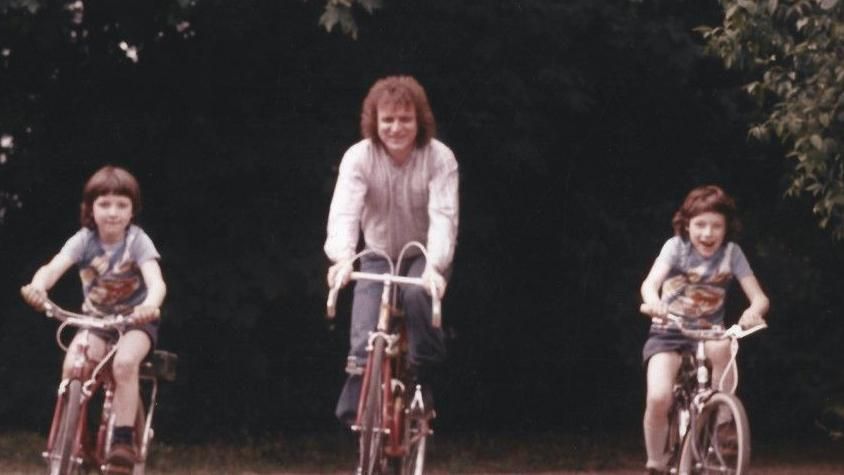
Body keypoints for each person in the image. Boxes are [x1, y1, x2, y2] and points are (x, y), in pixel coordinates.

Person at [324, 75, 459, 424]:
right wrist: (341, 258)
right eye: (387, 120)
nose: (395, 128)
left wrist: (436, 266)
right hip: (378, 253)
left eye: (404, 119)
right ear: (374, 121)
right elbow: (344, 212)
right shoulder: (359, 157)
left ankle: (421, 380)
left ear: (419, 121)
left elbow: (444, 217)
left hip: (423, 256)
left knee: (418, 299)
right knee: (365, 321)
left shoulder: (439, 158)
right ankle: (359, 398)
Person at [20, 165, 166, 467]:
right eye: (104, 204)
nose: (113, 212)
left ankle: (123, 440)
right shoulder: (84, 241)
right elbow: (53, 267)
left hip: (134, 322)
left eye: (121, 205)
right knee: (75, 364)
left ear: (132, 211)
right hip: (95, 322)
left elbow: (156, 282)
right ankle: (74, 436)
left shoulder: (137, 241)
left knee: (125, 364)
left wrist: (150, 305)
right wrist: (38, 287)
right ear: (90, 208)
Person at [638, 184, 769, 474]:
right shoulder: (676, 248)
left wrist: (752, 311)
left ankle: (723, 421)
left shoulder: (732, 253)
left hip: (710, 331)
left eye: (716, 226)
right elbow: (650, 284)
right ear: (686, 224)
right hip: (669, 330)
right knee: (659, 397)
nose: (707, 234)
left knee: (724, 346)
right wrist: (654, 303)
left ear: (726, 228)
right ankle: (655, 461)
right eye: (700, 225)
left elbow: (759, 297)